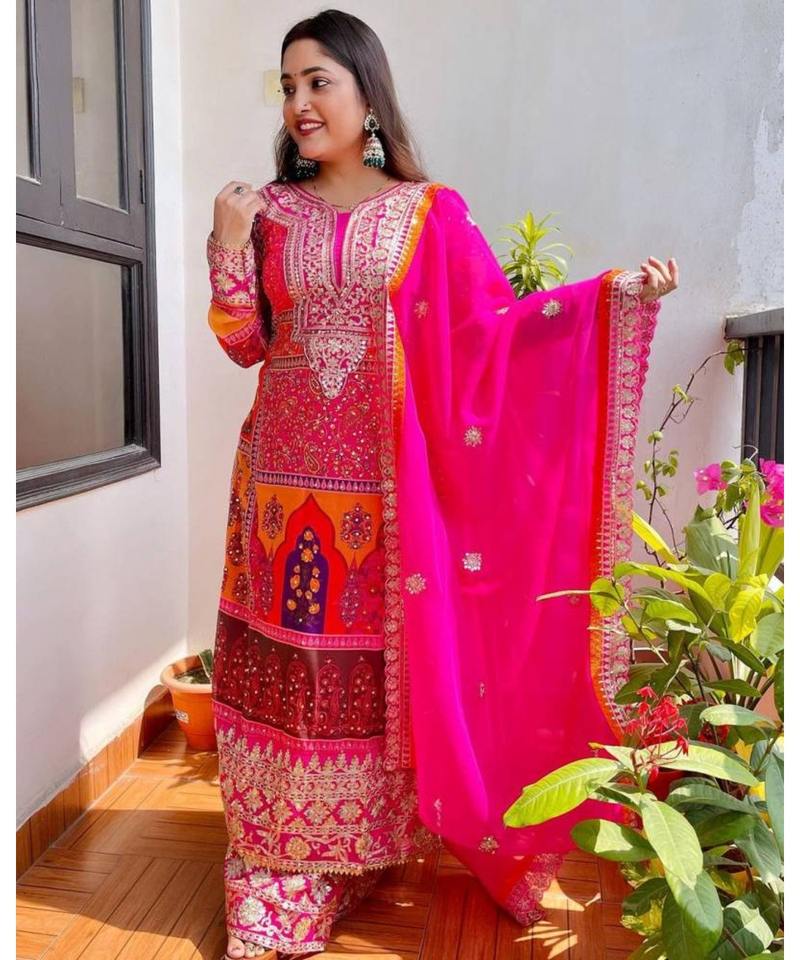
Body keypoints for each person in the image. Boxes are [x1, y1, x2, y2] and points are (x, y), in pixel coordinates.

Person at [206, 10, 678, 959]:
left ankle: (355, 849)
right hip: (278, 491)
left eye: (319, 82)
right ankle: (278, 856)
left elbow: (491, 334)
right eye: (288, 86)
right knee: (285, 668)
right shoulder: (269, 213)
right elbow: (244, 343)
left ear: (368, 94)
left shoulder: (428, 214)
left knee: (364, 673)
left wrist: (608, 299)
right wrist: (226, 243)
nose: (300, 103)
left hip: (382, 495)